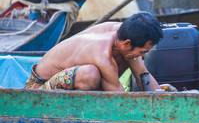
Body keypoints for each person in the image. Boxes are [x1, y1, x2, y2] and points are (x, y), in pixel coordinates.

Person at [24, 12, 163, 92]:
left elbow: (142, 75)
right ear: (127, 43)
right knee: (90, 74)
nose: (143, 56)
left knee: (131, 58)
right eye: (143, 52)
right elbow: (118, 100)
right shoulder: (102, 53)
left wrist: (162, 99)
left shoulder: (126, 35)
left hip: (64, 84)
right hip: (38, 90)